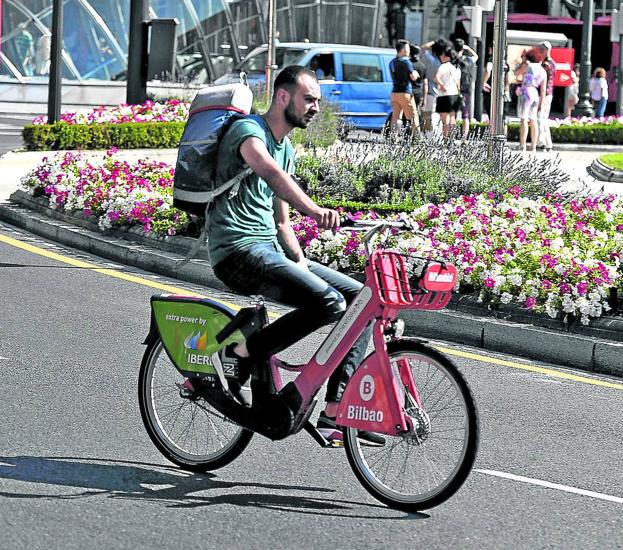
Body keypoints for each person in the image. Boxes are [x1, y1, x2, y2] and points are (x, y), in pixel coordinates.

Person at [208, 65, 383, 446]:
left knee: (359, 299)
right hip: (236, 250)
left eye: (318, 101)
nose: (316, 107)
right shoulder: (248, 131)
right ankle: (239, 353)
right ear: (283, 97)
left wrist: (301, 264)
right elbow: (268, 172)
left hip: (268, 249)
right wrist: (315, 209)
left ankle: (337, 410)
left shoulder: (286, 148)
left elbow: (281, 222)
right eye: (309, 99)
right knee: (328, 302)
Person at [515, 50, 546, 152]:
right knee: (534, 120)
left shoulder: (528, 66)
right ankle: (533, 146)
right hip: (535, 93)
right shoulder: (542, 70)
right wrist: (542, 102)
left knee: (524, 119)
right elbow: (543, 89)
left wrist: (521, 64)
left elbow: (516, 73)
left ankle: (522, 145)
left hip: (526, 92)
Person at [388, 39, 420, 136]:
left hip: (394, 92)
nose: (409, 50)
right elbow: (413, 77)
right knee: (413, 116)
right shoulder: (407, 62)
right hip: (405, 92)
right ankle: (417, 138)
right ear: (402, 50)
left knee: (396, 117)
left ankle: (393, 137)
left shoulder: (392, 62)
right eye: (407, 48)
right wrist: (416, 74)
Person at [452, 38, 478, 140]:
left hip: (453, 89)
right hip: (465, 88)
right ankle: (464, 138)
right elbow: (476, 56)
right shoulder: (466, 60)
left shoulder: (452, 60)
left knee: (452, 114)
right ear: (462, 48)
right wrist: (468, 48)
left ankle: (451, 137)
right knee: (465, 115)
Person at [434, 44, 462, 138]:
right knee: (452, 118)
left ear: (447, 57)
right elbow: (458, 84)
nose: (441, 57)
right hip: (454, 95)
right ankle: (452, 138)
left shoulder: (444, 66)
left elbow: (436, 77)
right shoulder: (456, 68)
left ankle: (445, 139)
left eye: (443, 55)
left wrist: (442, 85)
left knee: (445, 120)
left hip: (444, 95)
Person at [420, 39, 446, 132]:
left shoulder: (430, 59)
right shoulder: (442, 63)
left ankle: (427, 135)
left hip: (428, 90)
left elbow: (422, 48)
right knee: (434, 116)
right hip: (438, 91)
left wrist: (433, 42)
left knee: (427, 115)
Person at [537, 40, 556, 152]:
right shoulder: (552, 63)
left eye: (542, 49)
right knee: (544, 118)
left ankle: (543, 143)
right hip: (548, 93)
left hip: (544, 94)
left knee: (541, 118)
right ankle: (548, 144)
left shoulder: (546, 64)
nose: (540, 51)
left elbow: (542, 81)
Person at [409, 44, 428, 123]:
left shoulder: (407, 64)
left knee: (405, 114)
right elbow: (425, 84)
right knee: (415, 114)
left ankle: (404, 132)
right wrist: (425, 98)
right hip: (418, 92)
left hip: (407, 91)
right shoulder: (422, 66)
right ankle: (413, 133)